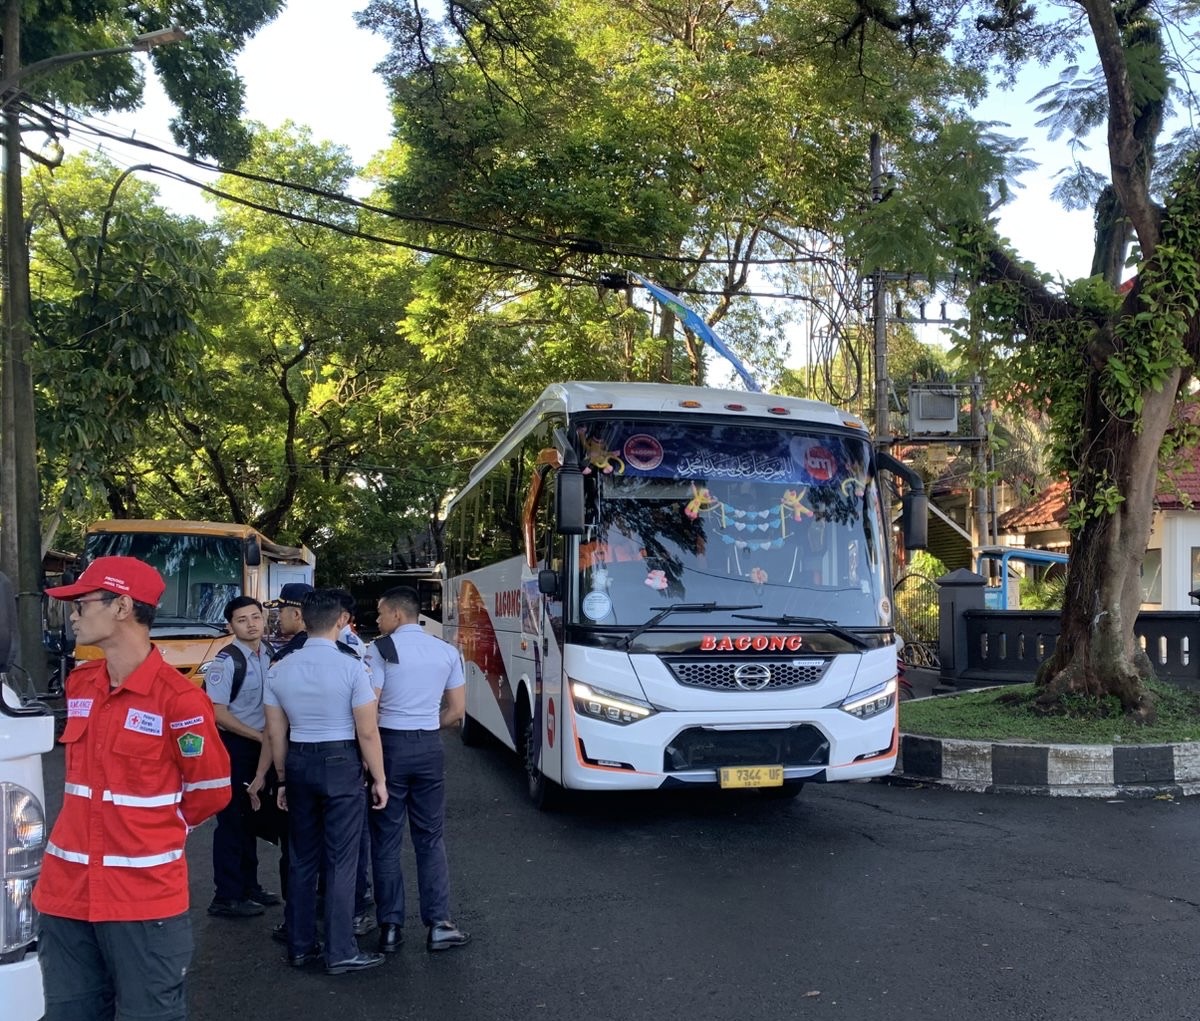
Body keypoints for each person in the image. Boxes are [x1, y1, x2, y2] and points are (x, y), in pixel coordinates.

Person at [34, 556, 232, 1021]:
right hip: (66, 895)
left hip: (142, 900)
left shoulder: (180, 700)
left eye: (82, 603)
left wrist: (156, 831)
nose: (74, 614)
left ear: (122, 606)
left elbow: (210, 789)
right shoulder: (81, 685)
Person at [264, 588, 389, 975]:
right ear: (341, 621)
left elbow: (275, 732)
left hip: (299, 761)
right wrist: (380, 778)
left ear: (302, 618)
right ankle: (340, 950)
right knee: (341, 860)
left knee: (301, 859)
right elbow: (367, 732)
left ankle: (300, 946)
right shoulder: (352, 667)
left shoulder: (279, 667)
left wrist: (282, 780)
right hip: (340, 762)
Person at [364, 585, 470, 955]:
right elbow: (457, 711)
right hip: (428, 747)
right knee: (429, 837)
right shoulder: (446, 651)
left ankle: (390, 927)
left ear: (396, 615)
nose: (377, 620)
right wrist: (429, 724)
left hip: (389, 746)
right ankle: (440, 924)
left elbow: (370, 709)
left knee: (386, 840)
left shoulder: (378, 650)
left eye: (380, 613)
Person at [206, 596, 281, 918]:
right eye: (242, 619)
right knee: (231, 822)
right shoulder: (226, 662)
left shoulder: (270, 655)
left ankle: (249, 887)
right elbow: (217, 712)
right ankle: (226, 895)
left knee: (253, 819)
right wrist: (260, 737)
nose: (251, 624)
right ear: (230, 626)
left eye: (255, 617)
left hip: (263, 748)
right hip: (236, 748)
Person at [267, 582, 315, 662]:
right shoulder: (337, 647)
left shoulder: (286, 656)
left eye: (280, 611)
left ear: (296, 614)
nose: (279, 618)